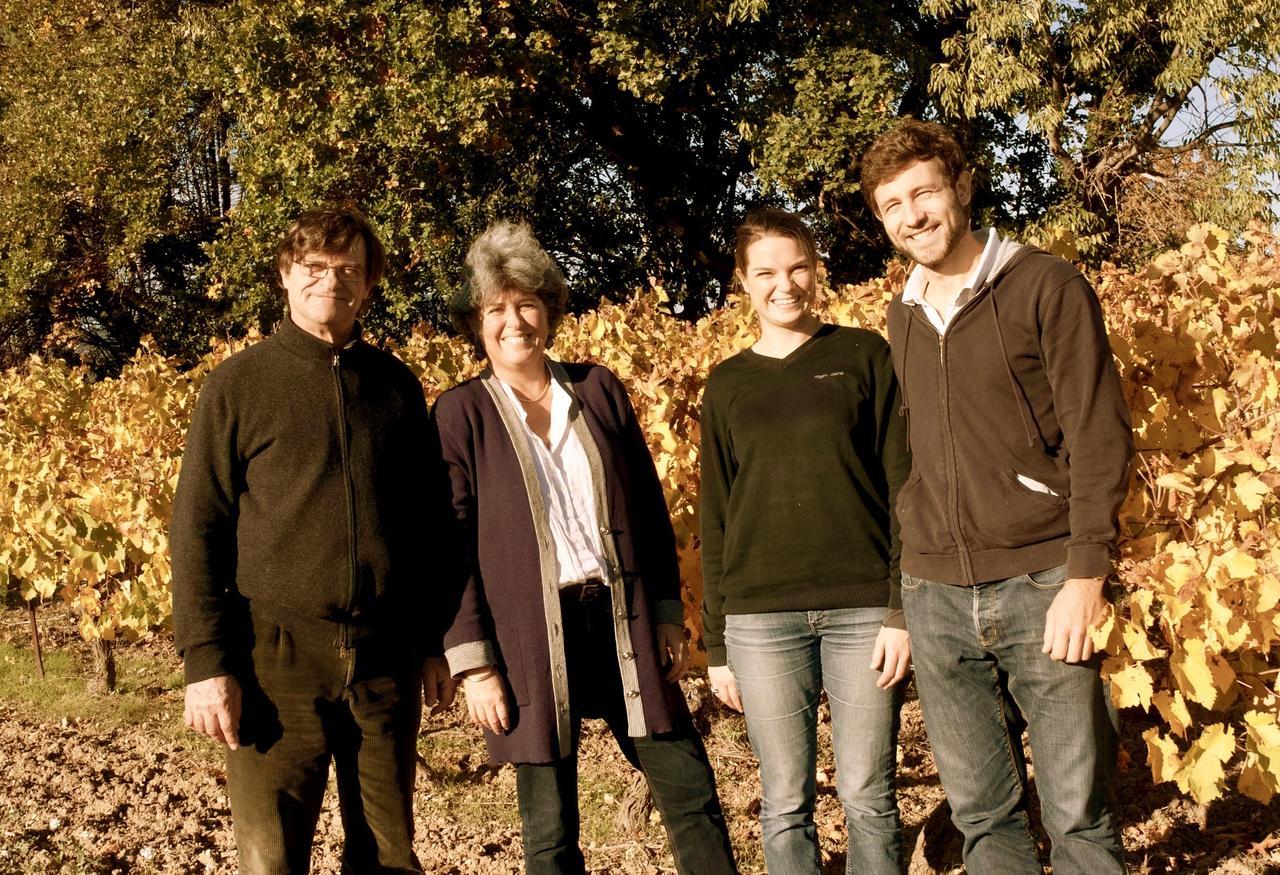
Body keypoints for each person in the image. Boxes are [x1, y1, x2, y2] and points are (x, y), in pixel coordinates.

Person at [860, 119, 1132, 873]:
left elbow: (1099, 434)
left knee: (1078, 816)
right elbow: (910, 457)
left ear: (962, 188)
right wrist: (902, 598)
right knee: (985, 819)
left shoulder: (1046, 285)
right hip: (936, 594)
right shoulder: (902, 312)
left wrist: (1085, 576)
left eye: (924, 192)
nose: (912, 215)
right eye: (892, 205)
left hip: (1043, 582)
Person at [432, 220, 737, 875]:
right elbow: (448, 544)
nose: (514, 320)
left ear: (549, 308)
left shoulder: (597, 389)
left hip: (620, 619)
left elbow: (650, 510)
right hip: (528, 637)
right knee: (550, 826)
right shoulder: (461, 414)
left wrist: (663, 608)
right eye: (496, 308)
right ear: (476, 323)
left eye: (526, 303)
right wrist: (475, 663)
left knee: (690, 790)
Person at [171, 206, 456, 874]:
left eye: (348, 270)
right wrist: (207, 663)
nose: (331, 282)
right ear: (285, 275)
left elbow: (431, 523)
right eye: (315, 268)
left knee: (388, 855)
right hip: (274, 663)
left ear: (368, 284)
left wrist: (434, 640)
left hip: (383, 660)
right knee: (271, 857)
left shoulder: (395, 387)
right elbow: (197, 527)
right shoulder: (238, 386)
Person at [699, 208, 913, 875]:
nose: (783, 284)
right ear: (743, 280)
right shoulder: (727, 383)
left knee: (868, 794)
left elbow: (904, 487)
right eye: (765, 271)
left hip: (862, 612)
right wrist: (716, 642)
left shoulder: (863, 355)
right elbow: (715, 515)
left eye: (796, 267)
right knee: (785, 799)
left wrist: (900, 610)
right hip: (761, 619)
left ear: (815, 269)